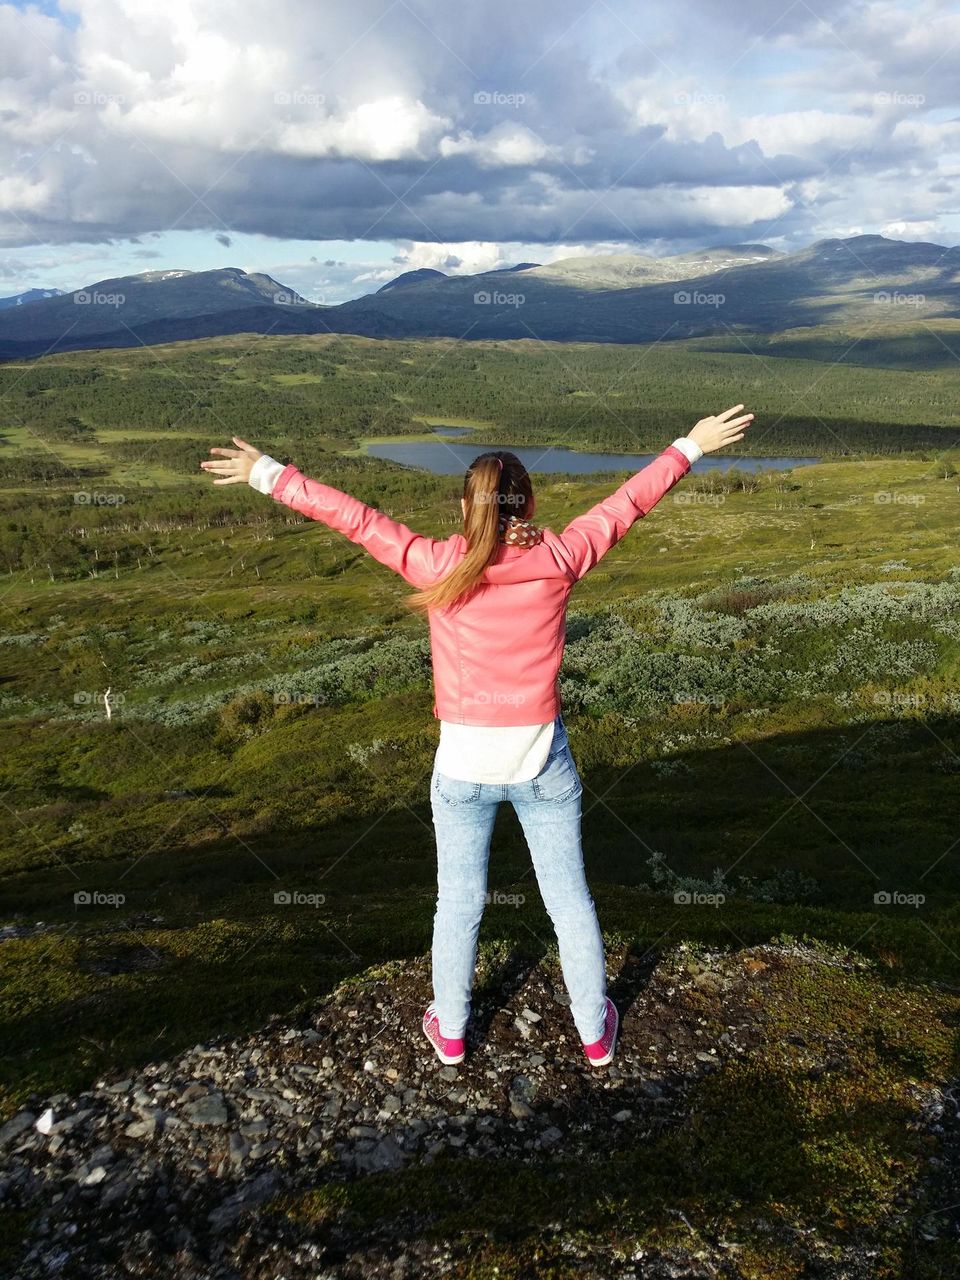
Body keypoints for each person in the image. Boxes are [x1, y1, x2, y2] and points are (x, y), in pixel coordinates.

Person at [201, 404, 753, 1068]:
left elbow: (355, 518)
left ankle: (454, 1031)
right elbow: (627, 503)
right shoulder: (560, 556)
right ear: (529, 504)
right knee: (568, 899)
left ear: (467, 508)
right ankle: (594, 1033)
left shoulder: (437, 564)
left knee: (457, 902)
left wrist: (266, 472)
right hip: (542, 763)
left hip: (461, 770)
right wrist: (690, 444)